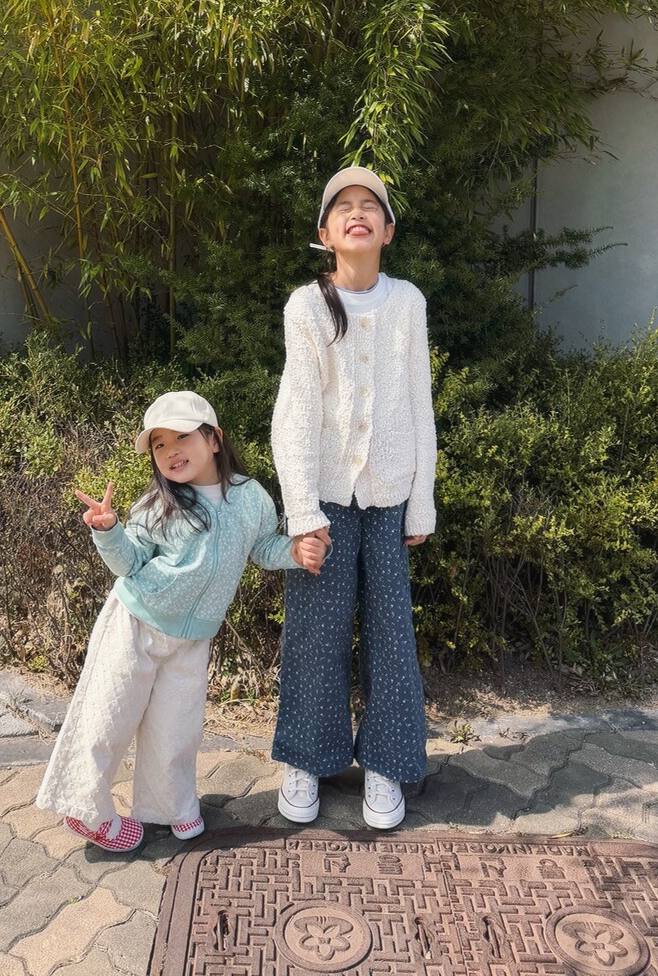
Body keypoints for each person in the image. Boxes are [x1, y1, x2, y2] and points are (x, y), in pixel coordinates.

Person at [36, 389, 327, 852]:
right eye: (159, 444)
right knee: (108, 717)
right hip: (135, 622)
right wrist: (108, 530)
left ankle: (171, 807)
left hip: (192, 639)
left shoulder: (251, 498)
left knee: (176, 730)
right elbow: (129, 563)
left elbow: (262, 548)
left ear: (214, 439)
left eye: (181, 437)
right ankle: (87, 809)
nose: (170, 450)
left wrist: (294, 551)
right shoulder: (157, 504)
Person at [270, 166, 437, 830]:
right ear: (326, 231)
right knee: (316, 632)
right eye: (344, 206)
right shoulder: (306, 307)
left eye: (371, 205)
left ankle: (387, 763)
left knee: (392, 634)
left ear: (388, 230)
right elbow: (296, 413)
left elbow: (420, 405)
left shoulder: (408, 303)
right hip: (326, 500)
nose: (358, 212)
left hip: (390, 496)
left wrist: (421, 502)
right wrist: (302, 511)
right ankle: (306, 758)